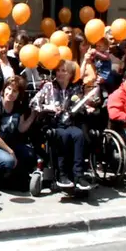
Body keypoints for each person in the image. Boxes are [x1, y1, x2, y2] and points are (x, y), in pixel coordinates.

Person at [29, 60, 92, 190]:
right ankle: (62, 174)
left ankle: (78, 175)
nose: (60, 73)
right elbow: (33, 103)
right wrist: (48, 107)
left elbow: (80, 107)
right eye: (58, 70)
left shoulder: (75, 89)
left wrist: (85, 107)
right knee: (63, 135)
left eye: (64, 71)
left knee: (79, 135)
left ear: (70, 74)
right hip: (53, 123)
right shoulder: (49, 86)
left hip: (69, 123)